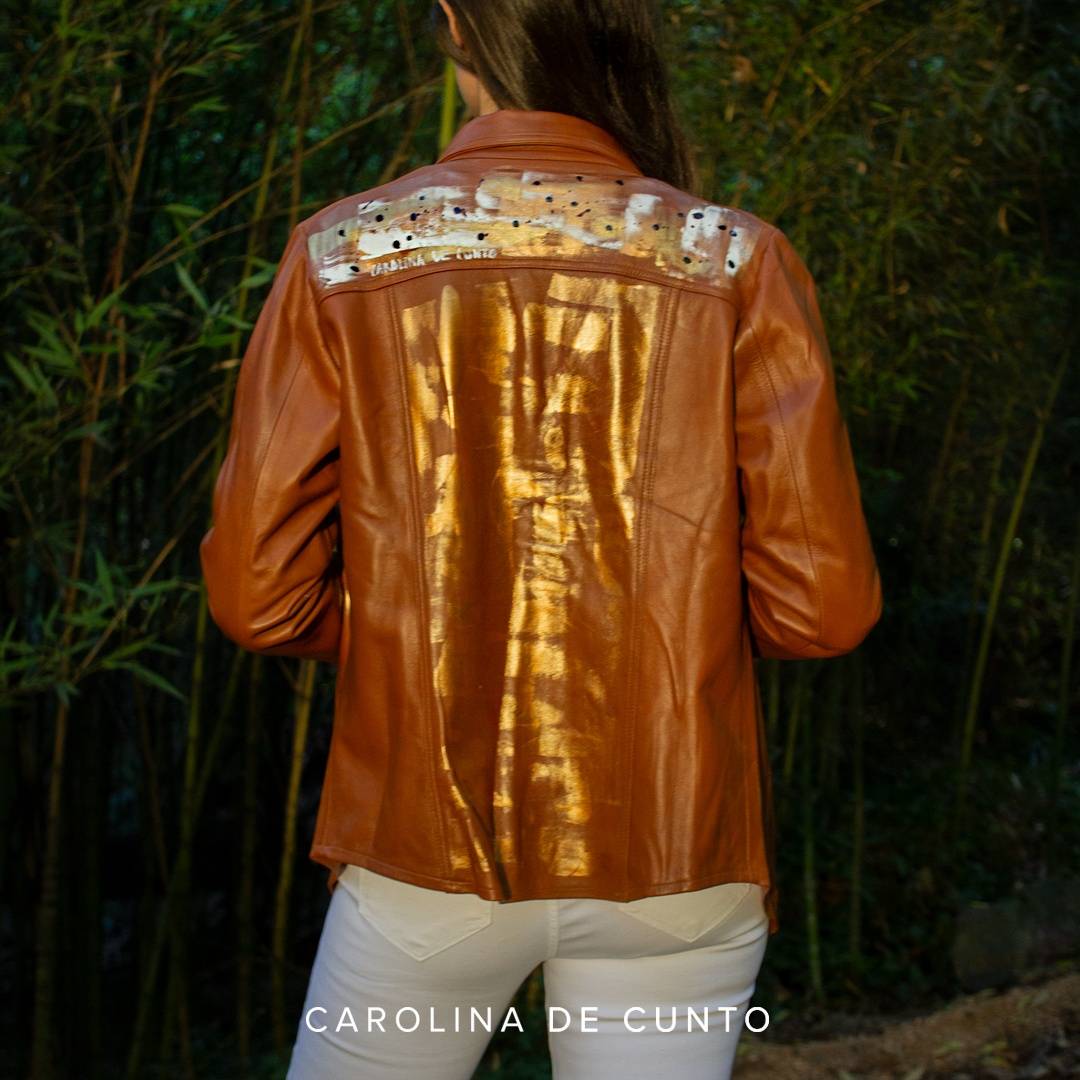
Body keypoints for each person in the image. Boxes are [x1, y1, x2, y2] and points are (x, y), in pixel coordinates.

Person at [198, 0, 883, 1076]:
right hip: (676, 846)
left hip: (426, 847)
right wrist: (677, 628)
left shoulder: (343, 252)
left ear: (452, 25)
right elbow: (824, 610)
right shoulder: (733, 258)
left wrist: (407, 634)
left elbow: (258, 596)